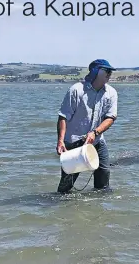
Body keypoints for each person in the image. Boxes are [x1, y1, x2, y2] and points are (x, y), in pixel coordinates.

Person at [56, 59, 118, 193]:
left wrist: (95, 133)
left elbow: (110, 117)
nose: (109, 74)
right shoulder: (76, 90)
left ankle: (99, 206)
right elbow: (63, 117)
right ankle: (59, 206)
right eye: (106, 71)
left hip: (97, 141)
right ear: (96, 71)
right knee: (66, 185)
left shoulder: (111, 93)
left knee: (104, 177)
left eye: (110, 71)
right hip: (74, 143)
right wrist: (60, 141)